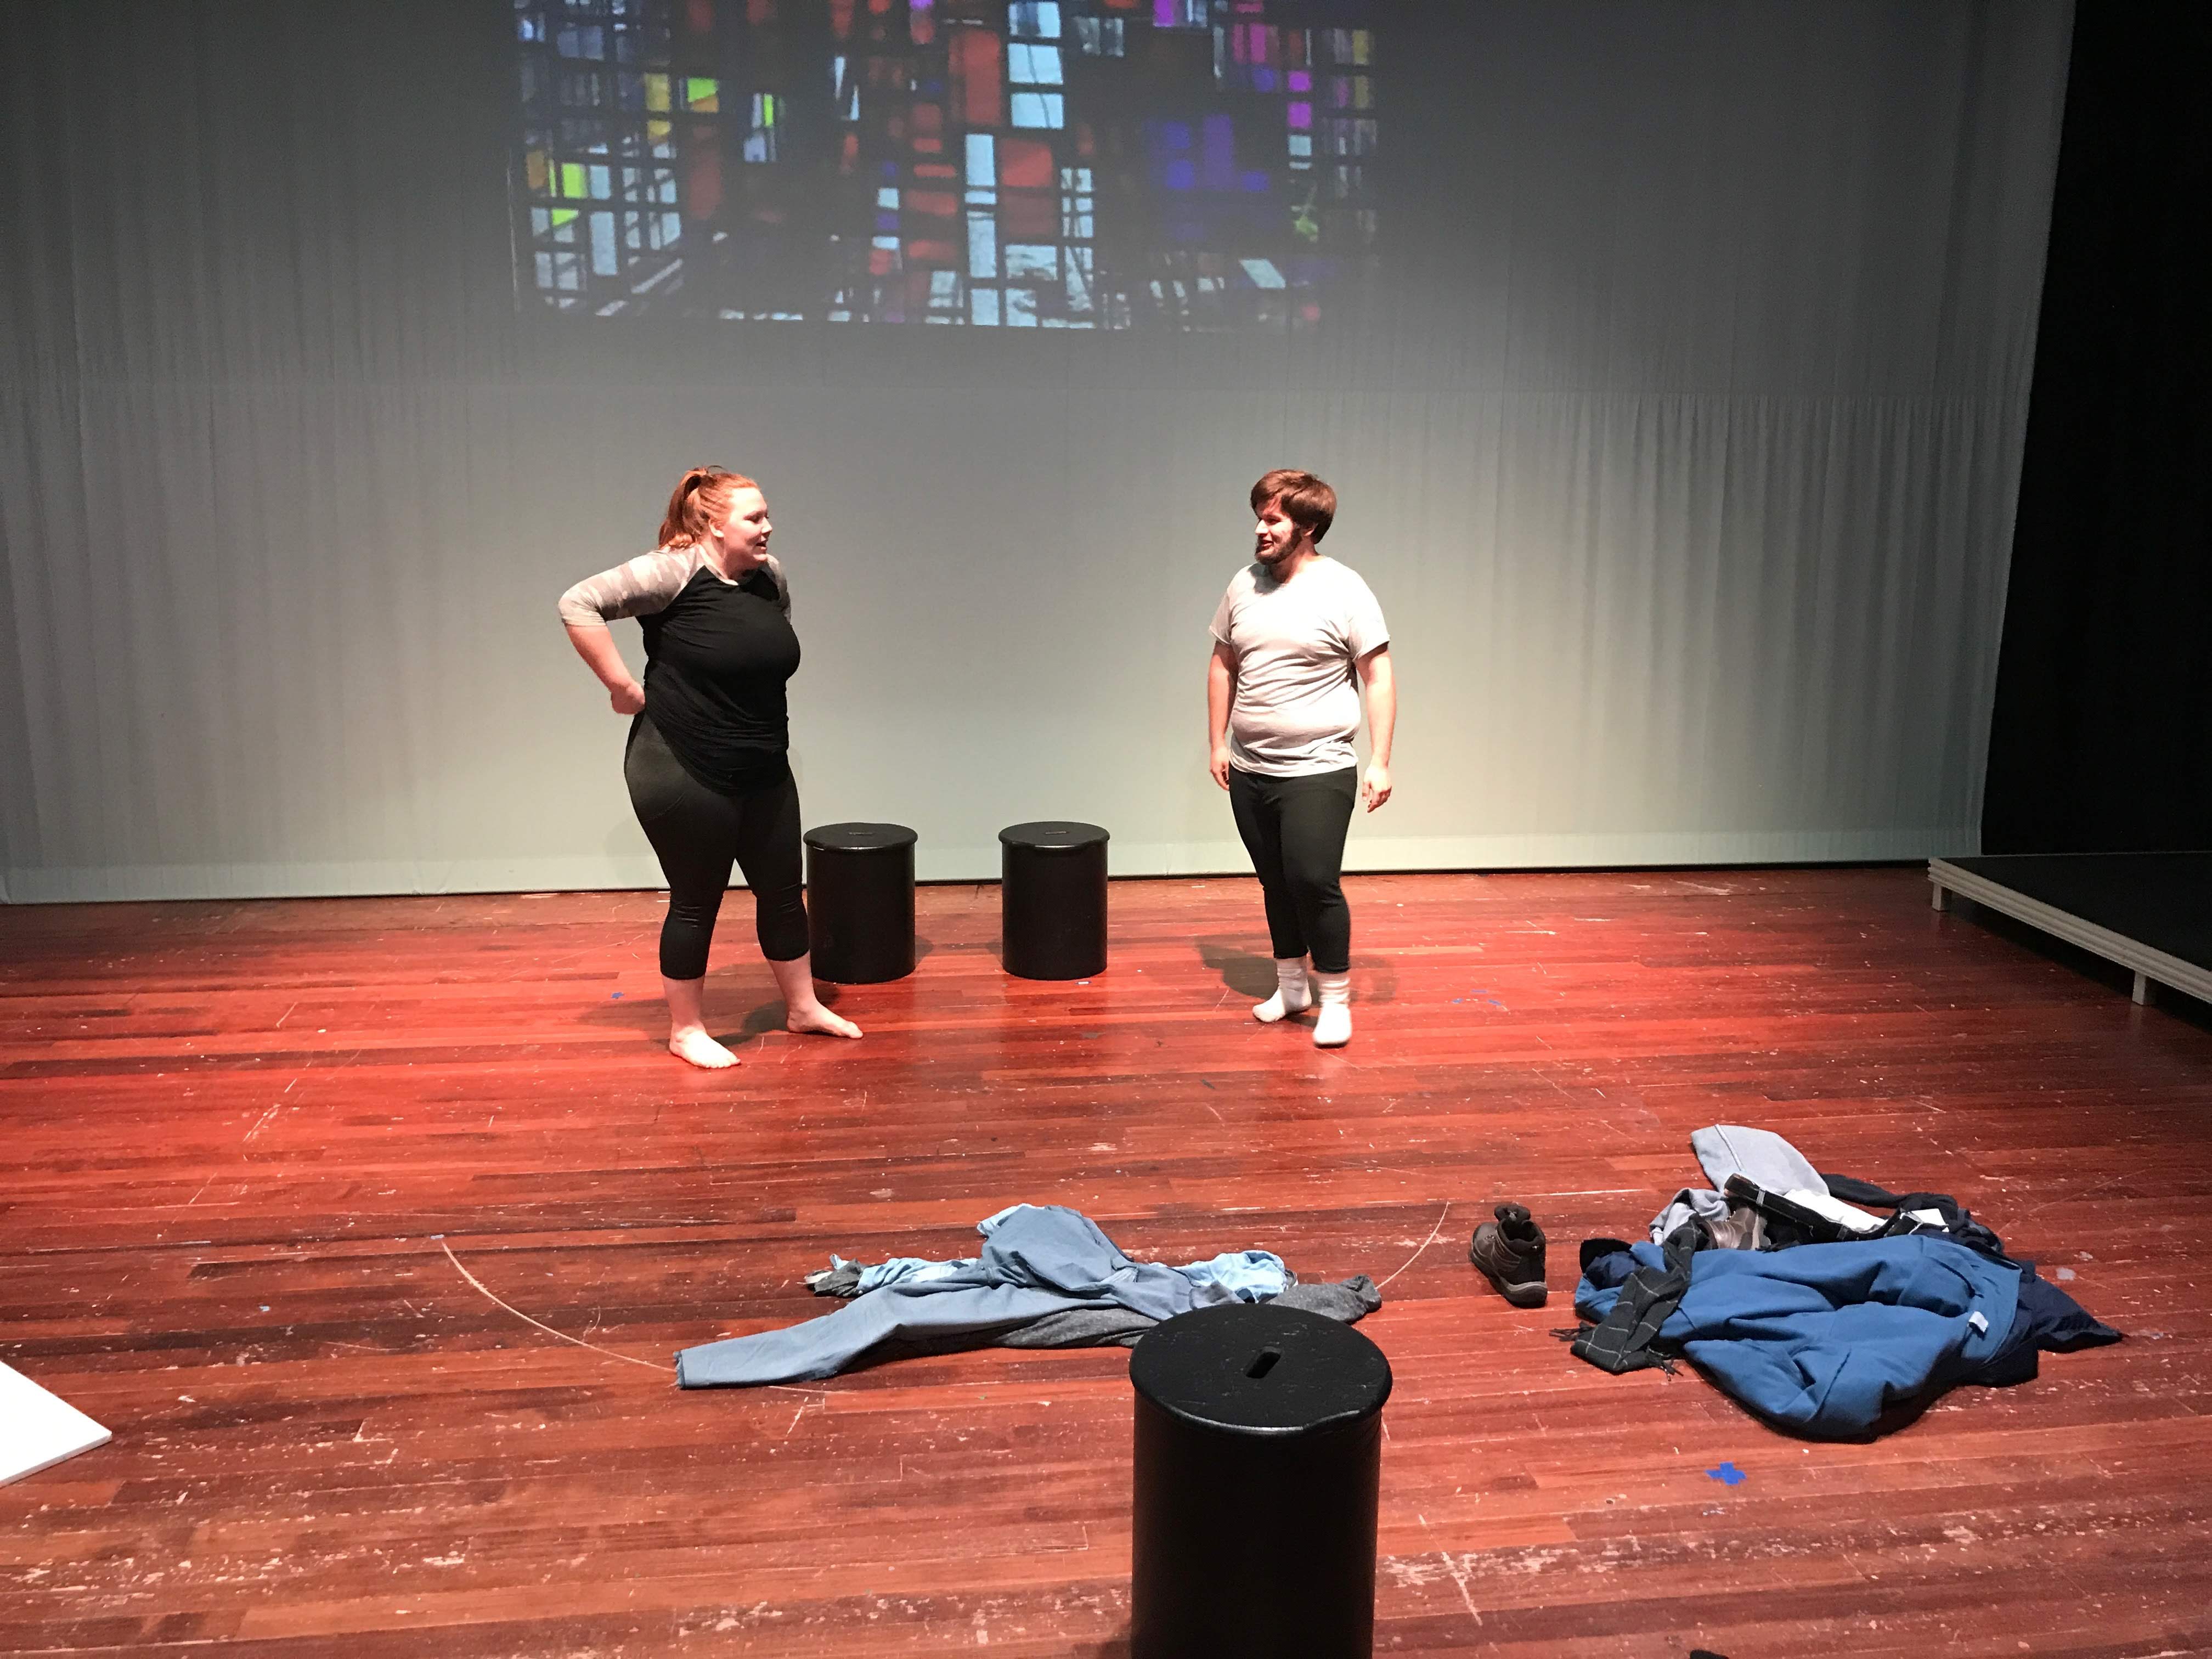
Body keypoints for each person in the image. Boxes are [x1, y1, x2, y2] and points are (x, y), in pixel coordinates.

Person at [558, 466, 861, 1069]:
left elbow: (761, 651)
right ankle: (686, 1031)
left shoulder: (768, 577)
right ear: (715, 526)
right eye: (755, 518)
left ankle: (803, 1008)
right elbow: (578, 602)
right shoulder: (672, 572)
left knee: (783, 892)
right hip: (681, 763)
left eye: (767, 515)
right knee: (697, 901)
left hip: (763, 762)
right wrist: (621, 686)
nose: (768, 527)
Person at [1206, 469, 1395, 1048]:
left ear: (1308, 526)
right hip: (1251, 768)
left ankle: (1334, 999)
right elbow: (1222, 663)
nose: (1260, 529)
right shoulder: (1244, 585)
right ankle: (1292, 988)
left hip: (1318, 767)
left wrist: (1380, 760)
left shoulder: (1345, 589)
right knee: (1275, 883)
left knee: (1313, 881)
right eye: (1259, 518)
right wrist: (1217, 742)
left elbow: (1378, 675)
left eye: (1274, 519)